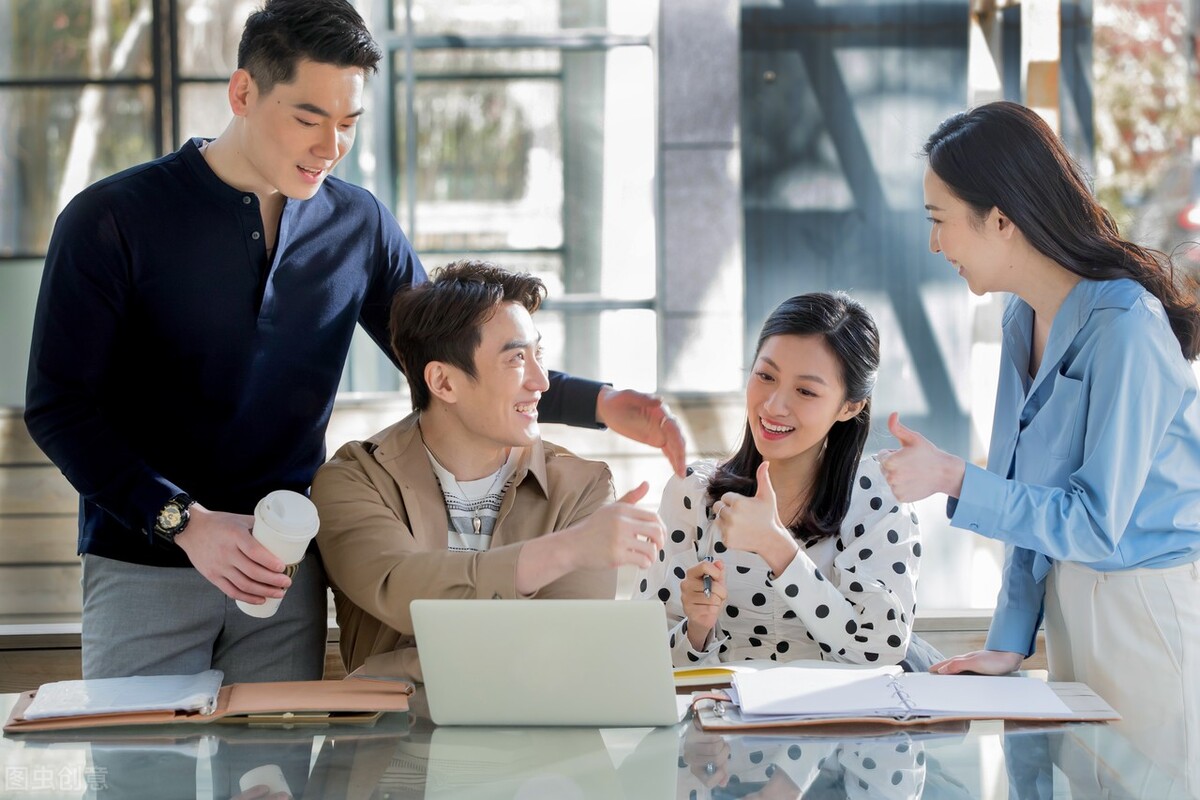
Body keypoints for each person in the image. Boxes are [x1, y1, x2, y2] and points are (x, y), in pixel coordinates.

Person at [23, 0, 683, 684]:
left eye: (347, 124)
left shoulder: (358, 224)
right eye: (309, 118)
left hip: (284, 571)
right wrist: (184, 522)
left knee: (273, 783)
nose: (330, 146)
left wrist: (601, 403)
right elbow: (59, 407)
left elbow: (450, 358)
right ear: (243, 92)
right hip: (143, 564)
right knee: (137, 779)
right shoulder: (111, 220)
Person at [877, 100, 1200, 791]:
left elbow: (1090, 520)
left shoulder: (1126, 328)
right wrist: (1006, 642)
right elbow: (1033, 504)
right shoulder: (1022, 319)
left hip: (1144, 612)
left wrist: (956, 477)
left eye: (940, 221)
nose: (935, 246)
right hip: (1070, 605)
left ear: (1000, 218)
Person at [311, 260, 666, 679]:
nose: (542, 382)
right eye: (516, 359)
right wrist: (565, 549)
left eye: (538, 355)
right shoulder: (353, 481)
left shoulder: (583, 488)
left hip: (541, 741)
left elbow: (564, 662)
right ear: (443, 383)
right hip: (391, 742)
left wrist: (393, 671)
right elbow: (403, 590)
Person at [636, 293, 921, 666]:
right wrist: (697, 630)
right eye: (766, 376)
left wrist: (778, 548)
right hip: (721, 716)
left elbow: (878, 651)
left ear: (850, 406)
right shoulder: (692, 494)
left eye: (805, 391)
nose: (773, 406)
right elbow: (642, 654)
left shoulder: (879, 498)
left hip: (836, 720)